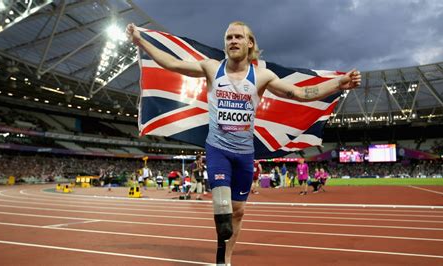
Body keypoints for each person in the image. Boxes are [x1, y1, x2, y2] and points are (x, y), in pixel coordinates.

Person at [127, 21, 361, 265]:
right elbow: (172, 63)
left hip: (245, 154)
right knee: (223, 205)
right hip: (218, 149)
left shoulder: (261, 76)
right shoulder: (211, 68)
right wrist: (141, 41)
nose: (233, 41)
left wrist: (339, 83)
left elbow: (301, 94)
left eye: (238, 37)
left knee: (238, 211)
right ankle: (222, 230)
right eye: (229, 38)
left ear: (249, 43)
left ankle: (225, 257)